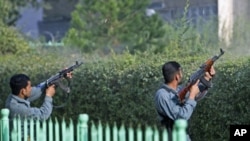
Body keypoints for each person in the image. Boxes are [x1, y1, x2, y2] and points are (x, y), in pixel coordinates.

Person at [154, 61, 216, 141]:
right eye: (181, 72)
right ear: (177, 76)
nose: (182, 75)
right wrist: (192, 95)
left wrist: (207, 78)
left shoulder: (178, 89)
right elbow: (181, 117)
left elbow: (196, 95)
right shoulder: (162, 95)